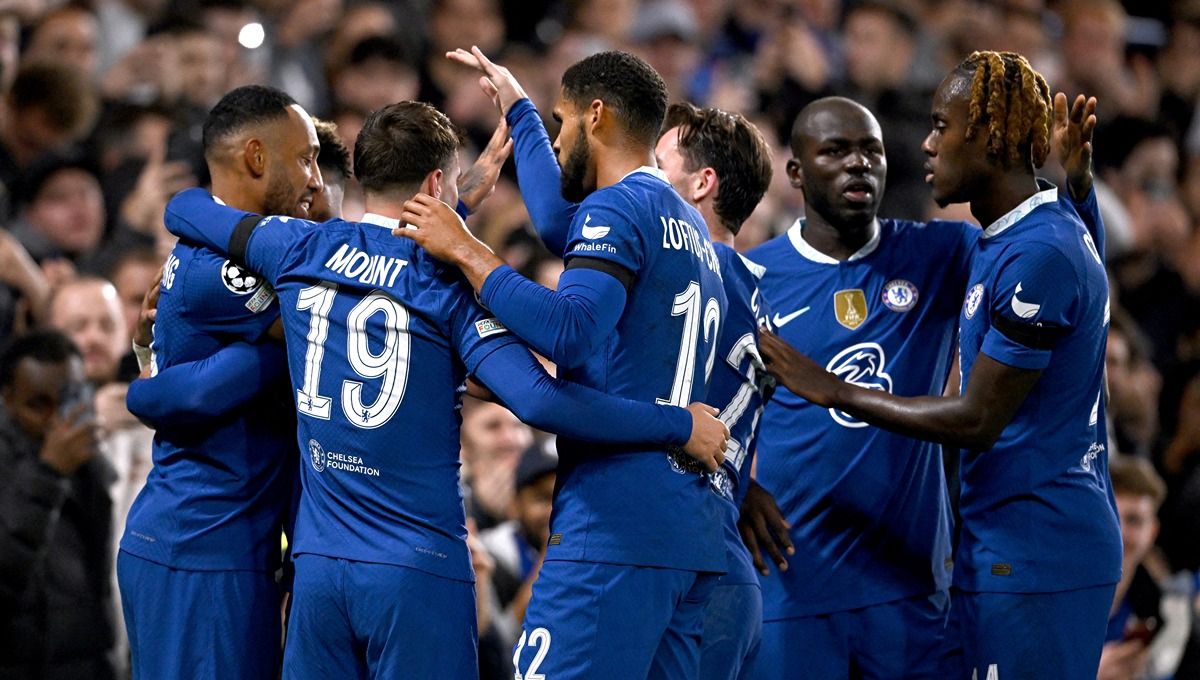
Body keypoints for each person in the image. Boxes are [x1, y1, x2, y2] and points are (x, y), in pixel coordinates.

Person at [161, 99, 729, 679]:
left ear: (363, 175)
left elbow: (185, 208)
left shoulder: (296, 248)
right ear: (436, 182)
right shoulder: (449, 289)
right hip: (418, 571)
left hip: (320, 571)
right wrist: (676, 423)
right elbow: (539, 399)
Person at [758, 51, 1121, 678]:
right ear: (795, 171)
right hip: (983, 548)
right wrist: (1078, 190)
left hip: (1033, 546)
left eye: (941, 127)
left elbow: (978, 418)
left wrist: (833, 390)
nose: (925, 146)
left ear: (987, 137)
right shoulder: (1004, 240)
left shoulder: (1020, 253)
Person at [404, 47, 730, 679]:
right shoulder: (684, 222)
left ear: (597, 116)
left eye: (561, 123)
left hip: (613, 525)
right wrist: (523, 111)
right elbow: (559, 223)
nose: (554, 142)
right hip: (686, 532)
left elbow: (569, 331)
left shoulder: (619, 209)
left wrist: (469, 252)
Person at [738, 94, 971, 680]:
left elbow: (1050, 260)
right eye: (836, 151)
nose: (857, 165)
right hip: (793, 583)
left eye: (870, 151)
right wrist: (736, 483)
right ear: (796, 171)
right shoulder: (750, 277)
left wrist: (1074, 194)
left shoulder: (939, 254)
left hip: (910, 582)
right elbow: (698, 401)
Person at [117, 84, 320, 680]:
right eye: (305, 158)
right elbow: (333, 308)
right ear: (256, 158)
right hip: (201, 549)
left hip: (224, 548)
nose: (314, 180)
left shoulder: (215, 246)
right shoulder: (222, 272)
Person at [653, 101, 776, 680]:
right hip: (716, 558)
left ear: (702, 185)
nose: (642, 183)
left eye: (657, 166)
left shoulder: (697, 274)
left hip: (690, 563)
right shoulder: (753, 287)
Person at [0, 330, 114, 680]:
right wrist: (48, 472)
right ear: (7, 399)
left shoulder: (90, 466)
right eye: (38, 404)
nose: (55, 422)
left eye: (67, 399)